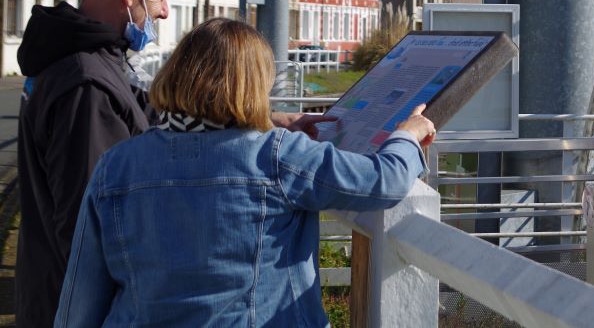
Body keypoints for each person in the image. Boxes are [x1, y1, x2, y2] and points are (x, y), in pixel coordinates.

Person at [16, 0, 327, 326]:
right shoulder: (87, 84)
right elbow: (90, 222)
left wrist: (267, 120)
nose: (164, 13)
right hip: (75, 307)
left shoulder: (91, 61)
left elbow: (148, 114)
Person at [54, 18, 436, 325]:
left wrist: (272, 124)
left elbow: (81, 295)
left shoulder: (116, 166)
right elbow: (380, 182)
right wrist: (406, 135)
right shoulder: (277, 157)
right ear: (254, 84)